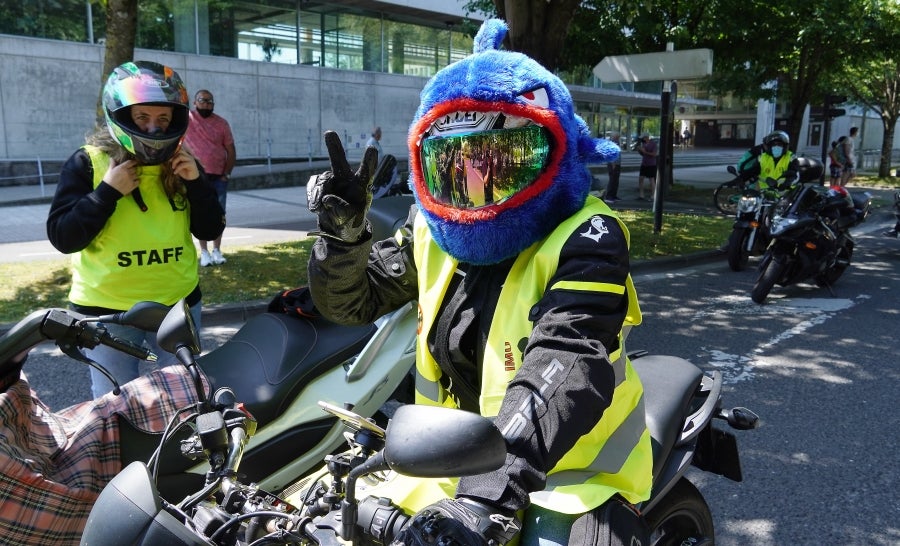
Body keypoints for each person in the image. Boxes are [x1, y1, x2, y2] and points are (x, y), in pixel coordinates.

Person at [306, 19, 651, 546]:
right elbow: (352, 302)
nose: (475, 183)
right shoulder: (431, 230)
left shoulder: (588, 234)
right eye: (454, 163)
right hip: (446, 462)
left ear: (555, 154)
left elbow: (568, 357)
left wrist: (485, 492)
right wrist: (343, 240)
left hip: (570, 474)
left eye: (500, 162)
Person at [46, 61, 225, 398]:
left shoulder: (183, 162)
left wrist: (197, 184)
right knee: (115, 409)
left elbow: (211, 227)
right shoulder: (89, 163)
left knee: (188, 401)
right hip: (107, 312)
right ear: (122, 116)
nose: (154, 130)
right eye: (142, 118)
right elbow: (63, 236)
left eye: (163, 120)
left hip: (178, 304)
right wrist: (107, 193)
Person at [184, 88, 235, 267]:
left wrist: (226, 174)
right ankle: (204, 252)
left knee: (219, 213)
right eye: (203, 100)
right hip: (196, 178)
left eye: (210, 101)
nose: (207, 104)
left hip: (218, 177)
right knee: (199, 213)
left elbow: (230, 150)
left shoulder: (221, 124)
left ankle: (217, 250)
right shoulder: (186, 120)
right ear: (195, 102)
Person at [636, 133, 657, 201]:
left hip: (651, 164)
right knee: (641, 178)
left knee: (651, 179)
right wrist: (640, 150)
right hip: (644, 164)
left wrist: (644, 152)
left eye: (643, 138)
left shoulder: (653, 144)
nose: (642, 139)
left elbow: (654, 154)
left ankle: (653, 195)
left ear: (646, 137)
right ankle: (641, 195)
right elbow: (643, 154)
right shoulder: (644, 144)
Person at [604, 132, 622, 202]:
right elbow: (612, 154)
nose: (619, 137)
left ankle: (614, 195)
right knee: (612, 180)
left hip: (617, 164)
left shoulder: (616, 142)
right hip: (613, 164)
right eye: (618, 136)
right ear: (615, 137)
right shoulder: (613, 143)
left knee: (615, 181)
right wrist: (613, 164)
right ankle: (609, 196)